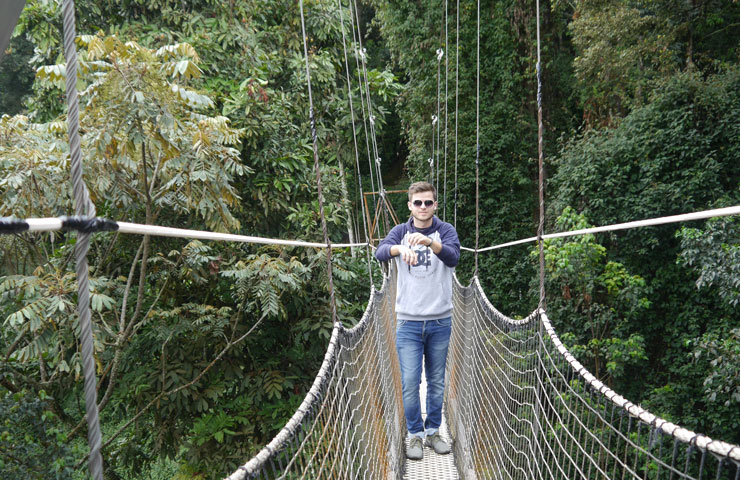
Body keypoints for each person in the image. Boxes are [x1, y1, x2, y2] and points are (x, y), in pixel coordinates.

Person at [375, 181, 460, 461]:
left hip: (440, 321)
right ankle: (414, 434)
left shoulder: (445, 231)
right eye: (418, 203)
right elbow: (380, 252)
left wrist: (430, 243)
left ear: (435, 205)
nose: (423, 207)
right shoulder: (399, 232)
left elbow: (453, 257)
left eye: (428, 202)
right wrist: (400, 250)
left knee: (436, 381)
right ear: (410, 205)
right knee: (411, 381)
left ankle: (434, 430)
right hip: (408, 323)